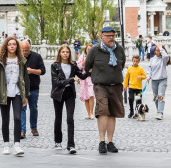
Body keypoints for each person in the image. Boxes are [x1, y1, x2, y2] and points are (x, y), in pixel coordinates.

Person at [85, 26, 126, 155]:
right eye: (108, 36)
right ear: (102, 36)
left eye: (113, 36)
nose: (111, 38)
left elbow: (122, 64)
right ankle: (101, 141)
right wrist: (98, 75)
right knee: (103, 111)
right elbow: (87, 66)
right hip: (100, 85)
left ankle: (110, 141)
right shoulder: (94, 50)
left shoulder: (119, 49)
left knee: (112, 113)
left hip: (116, 85)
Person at [0, 36, 29, 156]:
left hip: (17, 93)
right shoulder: (0, 60)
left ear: (17, 47)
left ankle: (17, 144)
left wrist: (25, 95)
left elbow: (25, 79)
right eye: (9, 44)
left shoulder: (21, 60)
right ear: (6, 46)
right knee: (5, 120)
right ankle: (6, 144)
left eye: (14, 44)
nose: (12, 46)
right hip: (4, 93)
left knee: (18, 118)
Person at [51, 44, 89, 154]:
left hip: (70, 93)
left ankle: (71, 145)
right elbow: (56, 82)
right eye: (63, 52)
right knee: (58, 118)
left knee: (70, 118)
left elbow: (81, 76)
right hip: (58, 94)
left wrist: (89, 71)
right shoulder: (55, 66)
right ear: (59, 53)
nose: (65, 54)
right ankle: (58, 141)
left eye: (67, 52)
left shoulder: (73, 65)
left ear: (69, 53)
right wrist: (71, 79)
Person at [20, 40, 45, 139]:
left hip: (34, 87)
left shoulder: (37, 56)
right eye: (22, 50)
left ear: (30, 47)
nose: (24, 52)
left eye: (26, 50)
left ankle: (33, 127)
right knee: (22, 108)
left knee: (33, 108)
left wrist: (32, 71)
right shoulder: (18, 57)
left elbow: (43, 71)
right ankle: (22, 130)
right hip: (22, 88)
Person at [148, 44, 170, 120]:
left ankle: (160, 112)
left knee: (161, 96)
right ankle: (158, 110)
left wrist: (161, 48)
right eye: (156, 50)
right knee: (155, 96)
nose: (157, 52)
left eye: (158, 50)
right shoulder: (152, 59)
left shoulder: (163, 59)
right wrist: (148, 77)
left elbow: (166, 56)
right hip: (154, 80)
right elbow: (149, 69)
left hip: (162, 79)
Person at [77, 43, 95, 119]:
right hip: (84, 78)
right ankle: (88, 113)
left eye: (90, 49)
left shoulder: (94, 57)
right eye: (88, 49)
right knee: (86, 96)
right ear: (86, 50)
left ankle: (92, 112)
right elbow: (79, 66)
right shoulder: (82, 57)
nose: (89, 50)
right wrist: (84, 61)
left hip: (91, 78)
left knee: (91, 95)